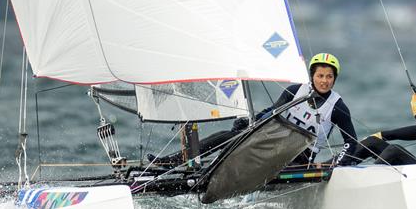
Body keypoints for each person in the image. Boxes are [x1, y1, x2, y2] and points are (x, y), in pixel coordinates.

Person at [149, 53, 359, 167]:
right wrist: (250, 124)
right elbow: (271, 112)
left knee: (244, 144)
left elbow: (352, 143)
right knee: (231, 135)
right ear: (312, 76)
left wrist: (337, 164)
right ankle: (174, 161)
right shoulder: (295, 91)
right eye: (320, 76)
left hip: (300, 157)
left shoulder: (338, 107)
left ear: (335, 78)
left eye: (329, 76)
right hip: (274, 143)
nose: (324, 81)